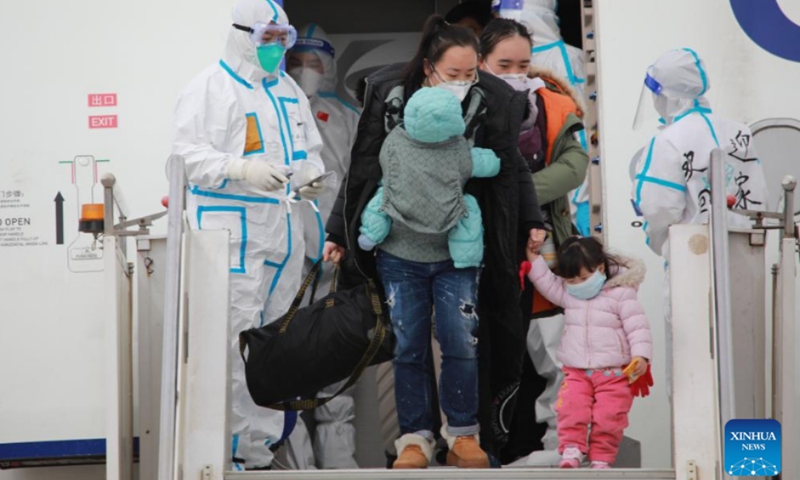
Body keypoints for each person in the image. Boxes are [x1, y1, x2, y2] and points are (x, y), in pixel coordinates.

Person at [323, 14, 547, 468]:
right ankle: (415, 437)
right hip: (399, 250)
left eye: (471, 73)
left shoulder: (492, 101)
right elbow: (363, 168)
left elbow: (510, 166)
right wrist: (337, 231)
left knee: (461, 338)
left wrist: (530, 219)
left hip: (460, 249)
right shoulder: (389, 97)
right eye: (454, 74)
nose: (464, 83)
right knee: (407, 343)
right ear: (429, 68)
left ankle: (464, 433)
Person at [171, 0, 327, 470]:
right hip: (232, 237)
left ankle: (261, 453)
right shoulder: (209, 89)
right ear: (242, 34)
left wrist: (311, 175)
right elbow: (186, 157)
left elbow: (311, 151)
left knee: (277, 348)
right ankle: (232, 455)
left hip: (281, 235)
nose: (276, 49)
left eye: (284, 39)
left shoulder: (287, 90)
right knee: (234, 348)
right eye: (268, 39)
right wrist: (239, 167)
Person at [478, 18, 589, 464]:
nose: (515, 72)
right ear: (481, 61)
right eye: (503, 63)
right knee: (483, 353)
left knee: (558, 351)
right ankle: (478, 447)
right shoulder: (461, 105)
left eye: (523, 63)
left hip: (544, 246)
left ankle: (561, 446)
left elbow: (575, 164)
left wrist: (516, 195)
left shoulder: (552, 103)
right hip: (479, 249)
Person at [630, 48, 768, 396]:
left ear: (667, 96)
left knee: (692, 368)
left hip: (691, 262)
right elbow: (760, 199)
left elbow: (657, 206)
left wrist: (660, 237)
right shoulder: (739, 132)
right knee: (746, 366)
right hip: (745, 260)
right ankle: (748, 450)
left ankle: (697, 452)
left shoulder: (668, 140)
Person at [283, 23, 361, 471]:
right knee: (287, 365)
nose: (305, 72)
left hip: (335, 258)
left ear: (329, 68)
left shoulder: (347, 118)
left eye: (315, 64)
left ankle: (340, 466)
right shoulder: (272, 110)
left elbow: (360, 185)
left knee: (334, 373)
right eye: (297, 62)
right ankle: (298, 468)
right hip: (285, 258)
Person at [524, 236, 653, 469]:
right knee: (570, 409)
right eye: (570, 280)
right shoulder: (569, 293)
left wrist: (641, 356)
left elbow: (637, 326)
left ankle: (601, 457)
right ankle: (571, 449)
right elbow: (547, 282)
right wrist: (533, 259)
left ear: (600, 268)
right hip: (577, 371)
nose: (577, 284)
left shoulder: (621, 293)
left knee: (609, 417)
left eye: (583, 278)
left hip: (614, 373)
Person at [357, 87, 501, 269]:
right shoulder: (461, 150)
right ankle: (466, 256)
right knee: (468, 208)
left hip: (399, 245)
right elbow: (489, 164)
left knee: (383, 197)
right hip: (444, 240)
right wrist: (495, 160)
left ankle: (371, 234)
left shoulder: (393, 141)